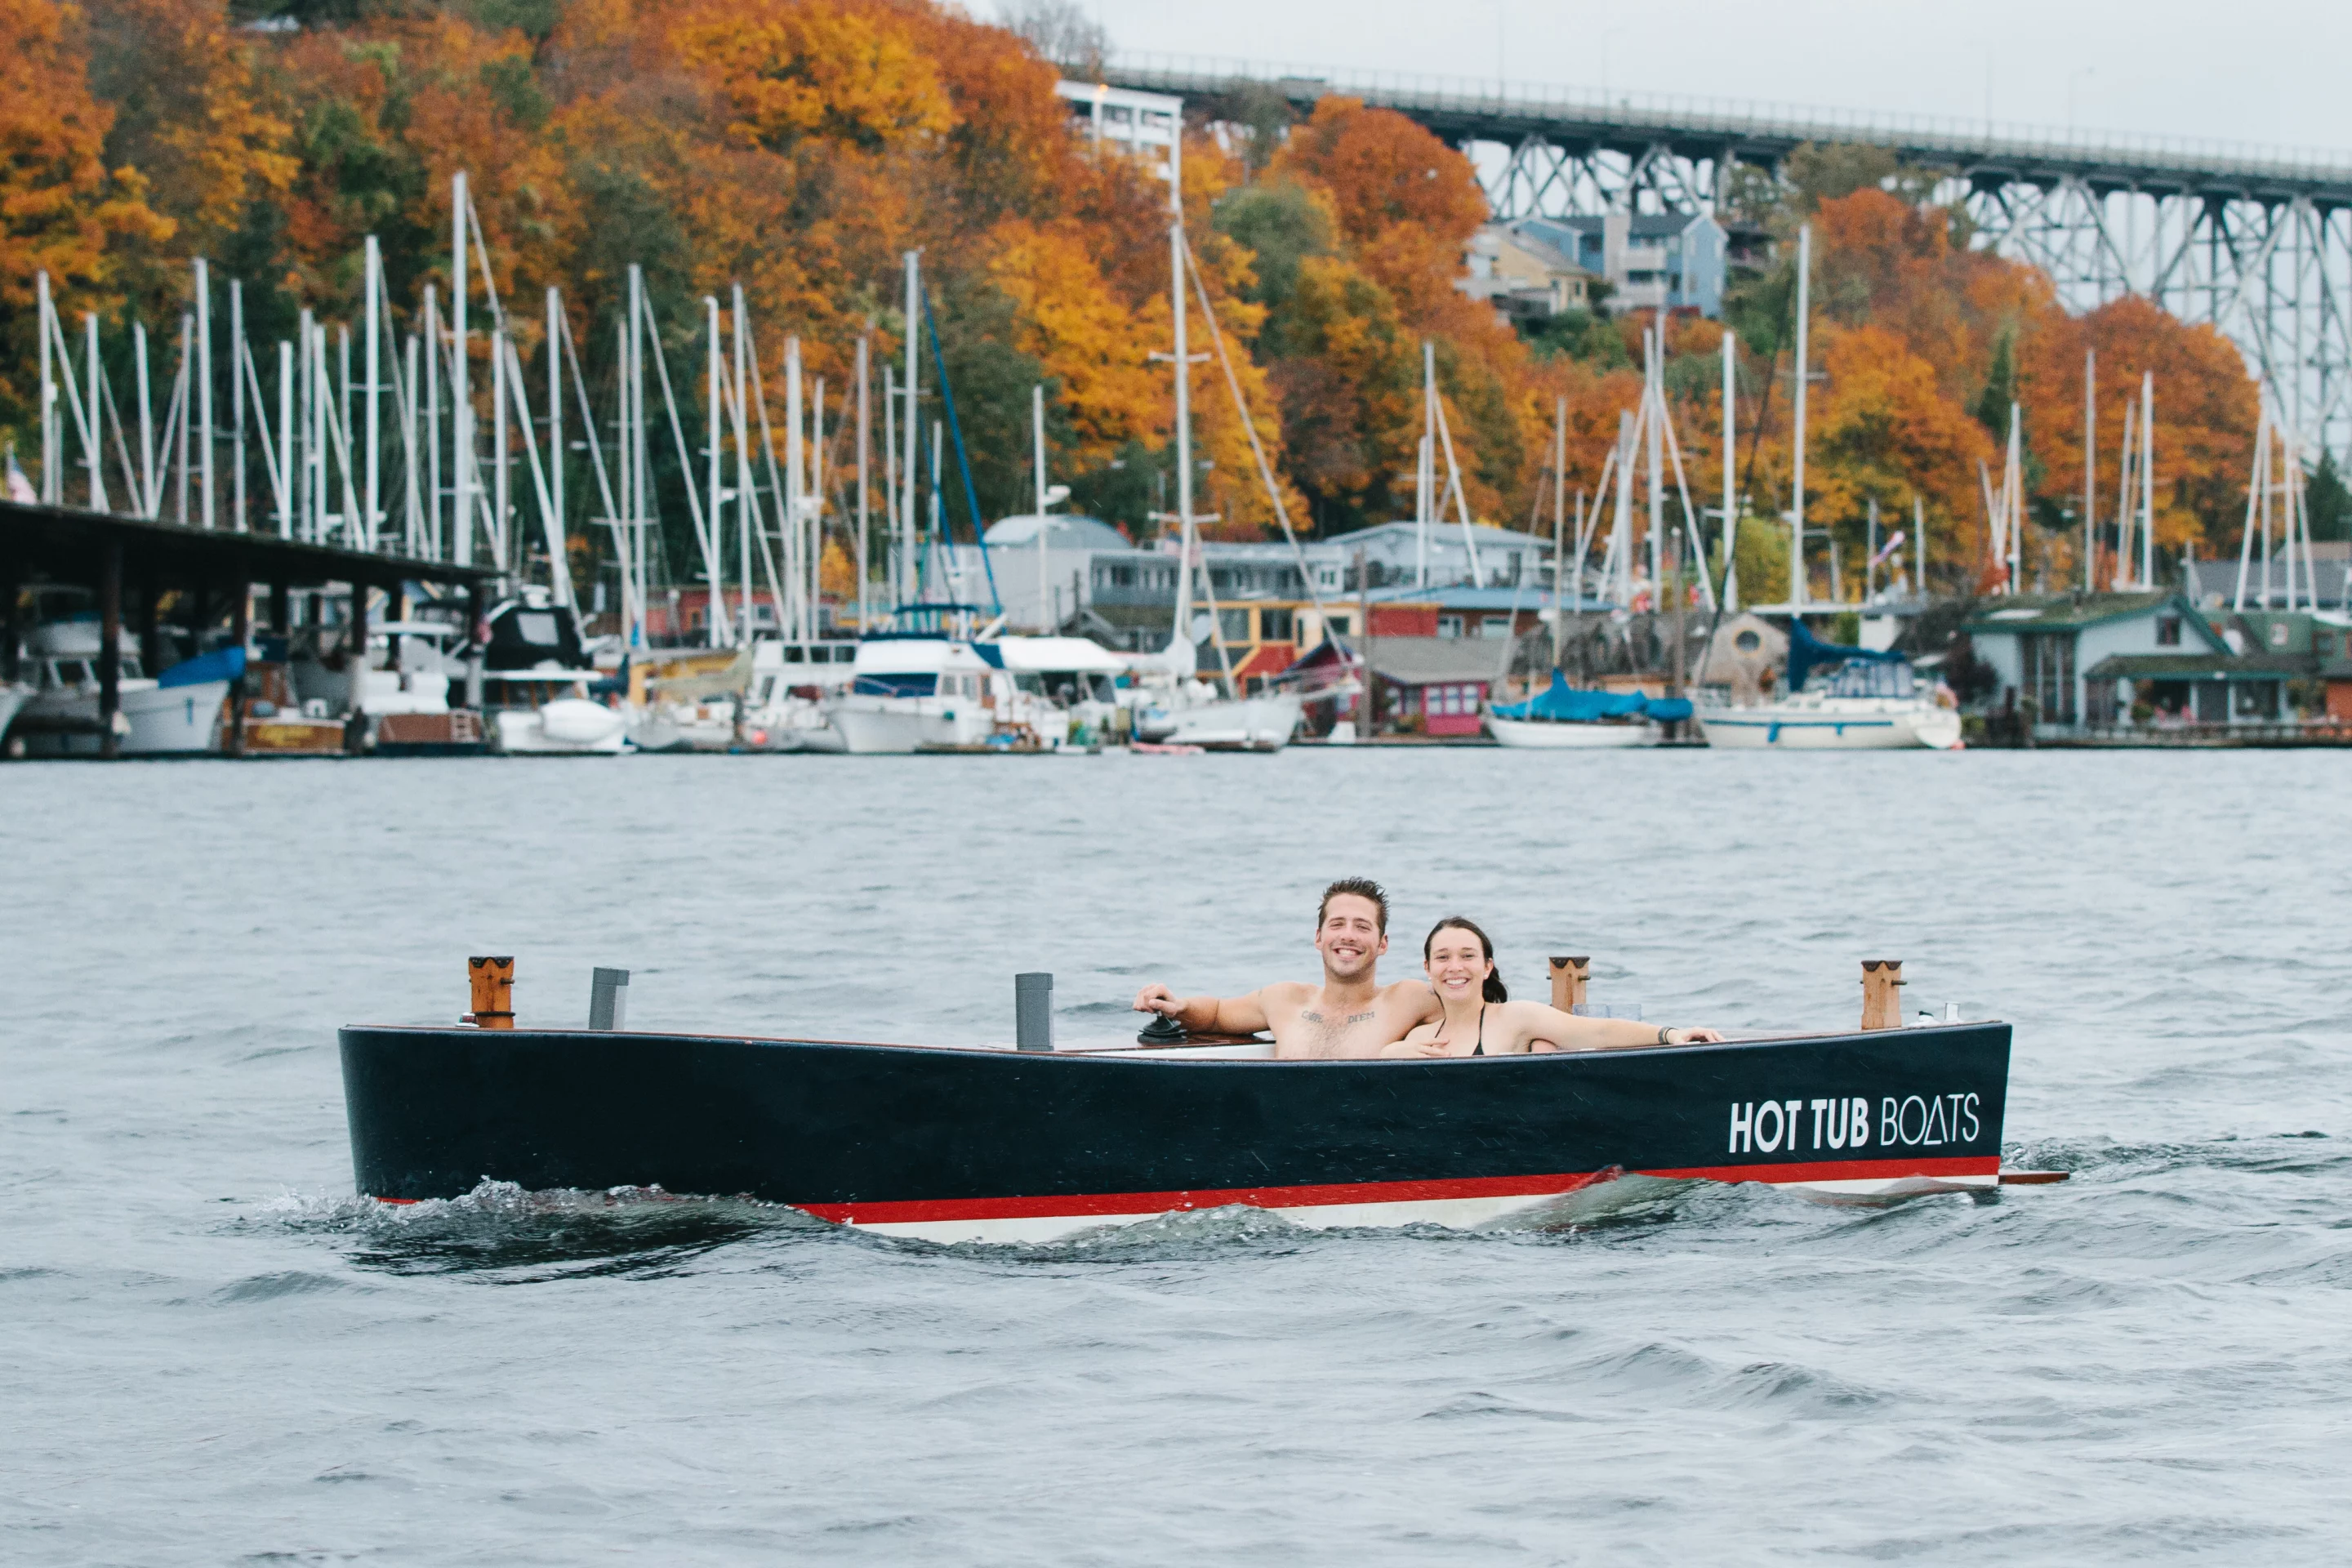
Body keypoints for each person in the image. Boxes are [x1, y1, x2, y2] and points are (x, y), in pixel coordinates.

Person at [1132, 877, 1441, 1058]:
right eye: (1337, 924)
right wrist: (1178, 1006)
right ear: (1319, 938)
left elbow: (1478, 1010)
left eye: (1362, 926)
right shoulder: (1286, 1000)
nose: (1348, 935)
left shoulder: (1409, 998)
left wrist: (1405, 1048)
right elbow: (1215, 1014)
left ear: (1383, 943)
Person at [1379, 916, 1724, 1057]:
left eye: (1467, 956)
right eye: (1443, 958)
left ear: (1487, 967)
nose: (1455, 967)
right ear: (1428, 969)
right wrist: (1388, 1055)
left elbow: (1597, 1033)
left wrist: (1670, 1035)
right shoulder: (1415, 1040)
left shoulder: (1516, 1018)